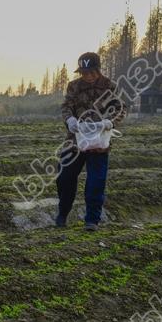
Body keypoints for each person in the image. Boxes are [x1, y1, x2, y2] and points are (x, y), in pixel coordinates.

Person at [56, 52, 127, 231]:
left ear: (97, 70)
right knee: (64, 177)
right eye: (84, 72)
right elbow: (67, 106)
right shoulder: (74, 86)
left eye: (91, 72)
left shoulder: (110, 86)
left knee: (96, 182)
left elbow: (120, 108)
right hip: (75, 139)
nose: (87, 76)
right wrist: (69, 120)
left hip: (98, 141)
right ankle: (62, 215)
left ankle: (91, 221)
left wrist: (110, 122)